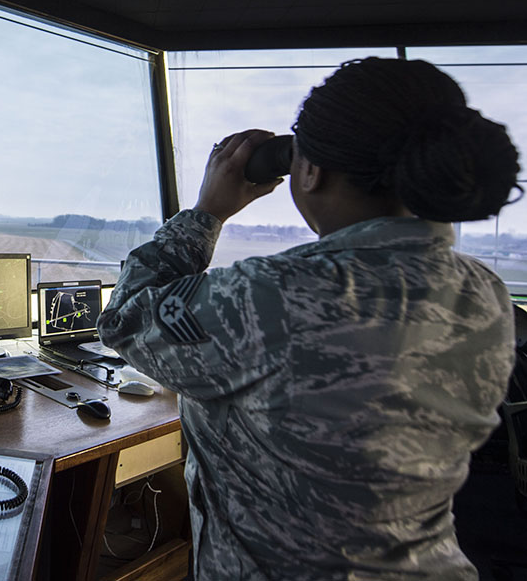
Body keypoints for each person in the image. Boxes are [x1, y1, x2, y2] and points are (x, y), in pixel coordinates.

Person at [97, 57, 522, 581]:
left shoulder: (274, 295)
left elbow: (125, 318)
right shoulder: (486, 295)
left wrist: (207, 212)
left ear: (310, 169)